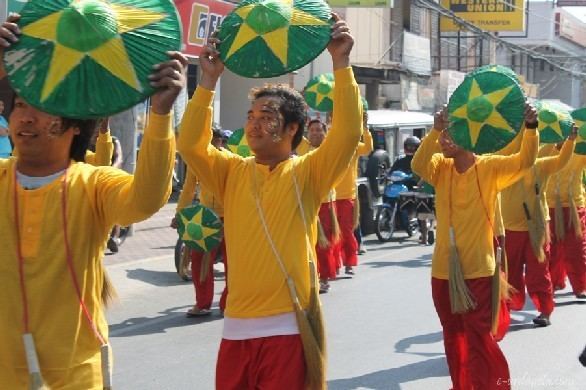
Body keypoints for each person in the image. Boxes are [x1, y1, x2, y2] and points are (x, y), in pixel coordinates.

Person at [0, 15, 186, 388]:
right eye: (18, 104)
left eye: (38, 106)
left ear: (73, 125)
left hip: (77, 377)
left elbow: (146, 199)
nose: (24, 116)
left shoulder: (94, 183)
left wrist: (161, 113)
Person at [177, 15, 361, 389]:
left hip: (287, 329)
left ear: (292, 129)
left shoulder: (309, 173)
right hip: (235, 329)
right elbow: (191, 145)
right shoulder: (231, 171)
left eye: (267, 117)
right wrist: (208, 82)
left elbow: (347, 133)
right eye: (251, 116)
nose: (254, 124)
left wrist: (341, 64)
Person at [412, 104, 539, 390]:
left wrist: (531, 128)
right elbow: (418, 165)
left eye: (450, 133)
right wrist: (434, 130)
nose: (444, 139)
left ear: (468, 136)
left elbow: (525, 160)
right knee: (452, 334)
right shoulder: (439, 167)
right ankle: (461, 385)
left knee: (479, 336)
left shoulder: (490, 166)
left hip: (479, 270)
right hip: (443, 272)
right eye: (442, 133)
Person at [500, 128, 576, 327]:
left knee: (538, 272)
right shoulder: (503, 165)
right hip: (509, 229)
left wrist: (570, 141)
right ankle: (509, 306)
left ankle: (544, 311)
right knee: (510, 273)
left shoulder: (540, 165)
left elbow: (561, 161)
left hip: (537, 229)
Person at [172, 126, 228, 316]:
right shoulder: (195, 162)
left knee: (234, 264)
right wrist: (179, 214)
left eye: (215, 140)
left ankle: (228, 302)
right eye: (208, 140)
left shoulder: (231, 161)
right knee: (198, 262)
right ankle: (202, 304)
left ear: (221, 141)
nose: (212, 144)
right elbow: (188, 189)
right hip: (203, 218)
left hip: (229, 217)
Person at [543, 139, 586, 299]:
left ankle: (580, 286)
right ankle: (554, 282)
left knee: (576, 247)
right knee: (551, 248)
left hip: (574, 205)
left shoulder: (580, 147)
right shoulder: (545, 148)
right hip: (550, 205)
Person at [333, 107, 373, 275]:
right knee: (330, 235)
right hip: (328, 197)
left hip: (348, 196)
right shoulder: (331, 144)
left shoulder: (354, 145)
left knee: (347, 232)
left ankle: (349, 263)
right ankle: (333, 265)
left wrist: (365, 128)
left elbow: (369, 148)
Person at [304, 119, 339, 293]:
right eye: (312, 130)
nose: (316, 133)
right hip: (306, 203)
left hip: (325, 204)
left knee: (323, 244)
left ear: (325, 134)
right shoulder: (302, 150)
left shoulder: (329, 151)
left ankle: (324, 277)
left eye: (319, 130)